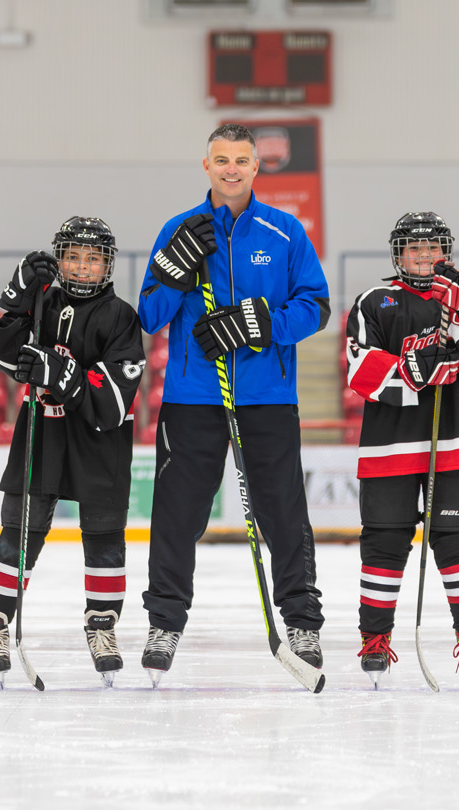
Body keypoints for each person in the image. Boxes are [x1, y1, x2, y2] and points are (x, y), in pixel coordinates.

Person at [136, 123, 331, 682]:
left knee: (285, 513)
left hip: (267, 397)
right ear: (206, 165)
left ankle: (301, 621)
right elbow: (149, 316)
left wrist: (256, 324)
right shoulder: (178, 230)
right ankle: (165, 622)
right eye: (221, 159)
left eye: (241, 159)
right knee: (177, 515)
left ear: (255, 166)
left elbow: (313, 308)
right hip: (192, 397)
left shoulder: (284, 230)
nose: (231, 168)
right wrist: (176, 270)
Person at [0, 217, 145, 687]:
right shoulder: (43, 300)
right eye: (73, 256)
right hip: (43, 432)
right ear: (61, 259)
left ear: (107, 265)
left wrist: (54, 371)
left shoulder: (122, 316)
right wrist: (15, 301)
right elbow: (3, 357)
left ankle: (103, 622)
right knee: (19, 531)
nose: (83, 266)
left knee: (104, 536)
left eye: (93, 258)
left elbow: (112, 404)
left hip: (100, 442)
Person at [344, 212, 459, 687]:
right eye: (413, 248)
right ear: (398, 253)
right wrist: (413, 371)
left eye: (431, 247)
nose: (422, 256)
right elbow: (361, 371)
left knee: (458, 541)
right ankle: (375, 636)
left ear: (445, 252)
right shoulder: (374, 301)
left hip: (451, 441)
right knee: (383, 542)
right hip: (388, 447)